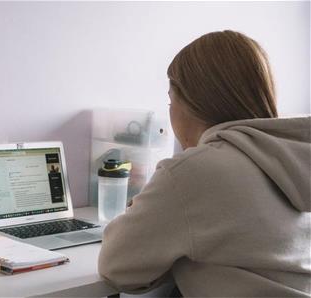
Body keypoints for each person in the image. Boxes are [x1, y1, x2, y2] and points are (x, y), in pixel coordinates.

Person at [98, 30, 311, 296]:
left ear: (192, 103)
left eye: (170, 100)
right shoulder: (296, 155)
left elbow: (117, 266)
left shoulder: (193, 171)